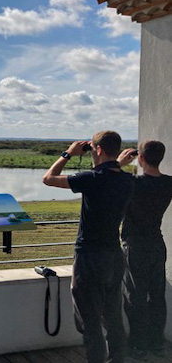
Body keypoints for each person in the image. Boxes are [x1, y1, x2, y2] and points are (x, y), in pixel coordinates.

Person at [43, 131, 134, 363]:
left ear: (99, 150)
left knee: (90, 321)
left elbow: (49, 178)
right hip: (114, 255)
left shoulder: (91, 179)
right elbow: (109, 174)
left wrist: (68, 153)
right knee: (113, 317)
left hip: (90, 257)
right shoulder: (127, 180)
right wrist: (114, 163)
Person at [117, 140, 172, 357]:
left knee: (135, 295)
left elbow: (106, 178)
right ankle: (156, 342)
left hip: (135, 245)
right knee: (157, 295)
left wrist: (120, 163)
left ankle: (138, 344)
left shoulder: (131, 183)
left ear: (140, 158)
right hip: (157, 244)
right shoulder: (168, 183)